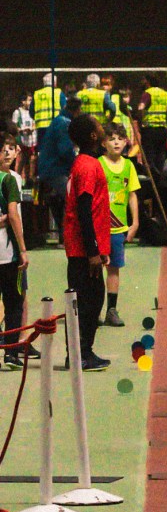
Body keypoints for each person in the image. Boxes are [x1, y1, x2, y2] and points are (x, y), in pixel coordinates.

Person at [63, 113, 111, 371]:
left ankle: (83, 352)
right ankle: (79, 354)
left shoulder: (86, 163)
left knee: (93, 299)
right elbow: (84, 209)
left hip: (87, 247)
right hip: (82, 250)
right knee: (86, 302)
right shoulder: (88, 166)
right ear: (93, 135)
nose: (103, 128)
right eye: (99, 125)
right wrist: (92, 251)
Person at [98, 122, 140, 327]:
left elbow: (132, 195)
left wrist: (135, 223)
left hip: (119, 229)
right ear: (103, 143)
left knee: (114, 269)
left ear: (125, 142)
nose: (116, 142)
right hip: (99, 228)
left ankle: (111, 310)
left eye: (120, 139)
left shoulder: (129, 166)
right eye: (111, 139)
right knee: (95, 269)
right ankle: (93, 311)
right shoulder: (98, 164)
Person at [0, 135, 29, 370]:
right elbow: (13, 215)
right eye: (3, 149)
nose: (7, 153)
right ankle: (11, 353)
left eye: (11, 149)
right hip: (7, 253)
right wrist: (23, 249)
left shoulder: (13, 177)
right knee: (13, 303)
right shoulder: (8, 180)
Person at [37, 96, 82, 244]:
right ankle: (69, 236)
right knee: (74, 198)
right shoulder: (64, 123)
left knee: (61, 200)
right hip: (55, 170)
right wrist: (77, 164)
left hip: (48, 169)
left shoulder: (58, 120)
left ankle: (65, 236)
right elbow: (65, 150)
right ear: (77, 110)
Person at [137, 74, 167, 179]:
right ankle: (160, 178)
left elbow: (141, 108)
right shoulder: (165, 94)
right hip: (162, 129)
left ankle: (150, 179)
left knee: (148, 157)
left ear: (148, 82)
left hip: (149, 129)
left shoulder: (148, 93)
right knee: (161, 156)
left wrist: (139, 124)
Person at [31, 72, 66, 151]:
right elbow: (65, 110)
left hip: (41, 128)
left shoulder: (37, 94)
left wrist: (38, 119)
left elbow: (31, 111)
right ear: (55, 83)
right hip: (56, 126)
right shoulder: (59, 93)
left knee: (42, 149)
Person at [11, 93, 37, 184]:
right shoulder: (17, 112)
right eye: (29, 100)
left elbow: (35, 123)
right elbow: (13, 127)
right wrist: (22, 130)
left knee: (32, 161)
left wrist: (32, 128)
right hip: (22, 142)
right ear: (23, 101)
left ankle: (30, 181)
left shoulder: (33, 111)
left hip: (32, 141)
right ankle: (17, 181)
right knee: (21, 161)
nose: (31, 102)